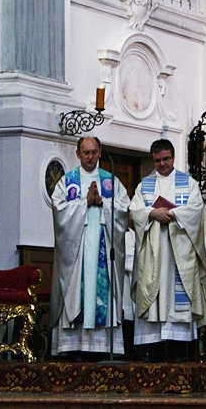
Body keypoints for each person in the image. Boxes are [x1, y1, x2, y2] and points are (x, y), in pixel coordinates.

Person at [129, 139, 206, 362]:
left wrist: (173, 214)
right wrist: (151, 214)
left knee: (178, 304)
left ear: (173, 157)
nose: (162, 164)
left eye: (166, 159)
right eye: (157, 160)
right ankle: (153, 353)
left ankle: (178, 354)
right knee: (154, 303)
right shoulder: (144, 185)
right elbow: (135, 211)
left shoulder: (189, 183)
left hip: (179, 254)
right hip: (154, 253)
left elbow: (196, 210)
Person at [50, 137, 130, 360]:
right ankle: (74, 345)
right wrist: (84, 202)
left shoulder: (111, 181)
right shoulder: (68, 181)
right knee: (77, 289)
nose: (90, 157)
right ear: (77, 154)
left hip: (103, 245)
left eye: (94, 152)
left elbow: (123, 210)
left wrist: (103, 202)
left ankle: (102, 346)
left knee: (101, 288)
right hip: (78, 247)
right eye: (86, 152)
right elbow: (58, 209)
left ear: (100, 153)